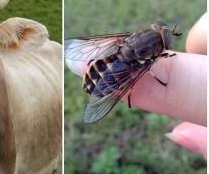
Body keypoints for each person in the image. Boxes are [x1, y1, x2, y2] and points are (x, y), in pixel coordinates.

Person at [66, 14, 207, 158]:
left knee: (109, 53)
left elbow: (94, 47)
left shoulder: (129, 37)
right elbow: (148, 68)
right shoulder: (148, 61)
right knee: (130, 78)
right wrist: (132, 85)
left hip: (108, 59)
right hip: (116, 70)